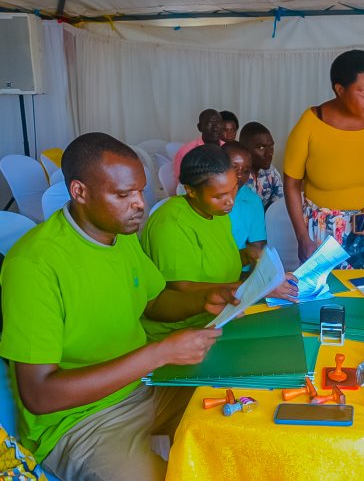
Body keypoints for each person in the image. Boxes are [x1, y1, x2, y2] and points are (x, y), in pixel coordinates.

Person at [0, 133, 238, 480]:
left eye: (140, 190)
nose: (140, 204)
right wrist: (159, 353)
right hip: (80, 422)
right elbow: (39, 394)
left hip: (145, 386)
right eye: (124, 195)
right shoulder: (33, 265)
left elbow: (154, 301)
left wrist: (206, 298)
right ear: (79, 192)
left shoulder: (119, 235)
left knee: (238, 414)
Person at [141, 144, 296, 341]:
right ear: (190, 191)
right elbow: (181, 288)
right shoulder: (170, 224)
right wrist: (257, 288)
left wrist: (246, 256)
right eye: (220, 195)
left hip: (222, 316)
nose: (230, 201)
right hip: (182, 332)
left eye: (233, 189)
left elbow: (213, 261)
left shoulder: (215, 212)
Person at [284, 49, 364, 263]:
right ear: (340, 90)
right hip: (323, 234)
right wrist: (302, 237)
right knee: (329, 285)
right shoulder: (311, 123)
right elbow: (291, 183)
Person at [223, 141, 267, 270]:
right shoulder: (209, 200)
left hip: (241, 270)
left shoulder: (253, 201)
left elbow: (257, 249)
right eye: (234, 168)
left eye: (246, 171)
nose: (240, 175)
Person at [238, 121, 284, 210]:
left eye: (271, 146)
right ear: (244, 148)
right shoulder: (237, 175)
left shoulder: (271, 172)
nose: (269, 153)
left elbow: (279, 204)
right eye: (261, 147)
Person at [172, 108, 224, 180]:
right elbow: (180, 181)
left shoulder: (228, 149)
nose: (215, 128)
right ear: (199, 127)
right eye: (209, 124)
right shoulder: (186, 152)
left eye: (219, 123)